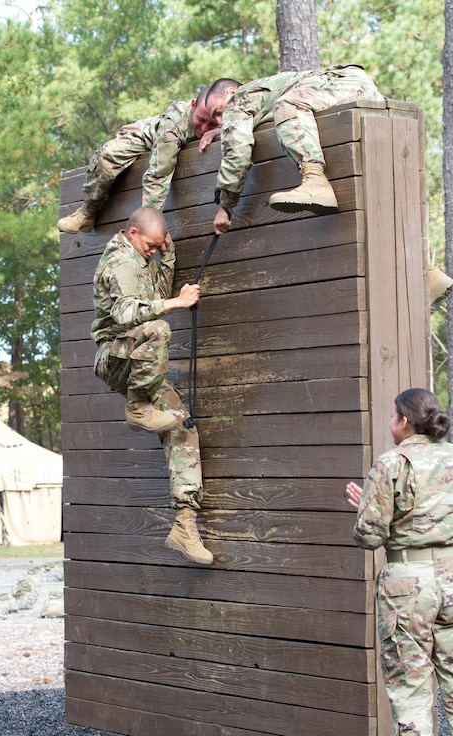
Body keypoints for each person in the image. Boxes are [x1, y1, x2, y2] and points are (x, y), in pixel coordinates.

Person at [91, 205, 213, 566]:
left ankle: (184, 524)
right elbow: (128, 313)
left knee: (181, 425)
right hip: (114, 358)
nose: (154, 252)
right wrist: (177, 302)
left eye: (158, 247)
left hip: (140, 363)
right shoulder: (120, 262)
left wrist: (168, 252)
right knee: (160, 329)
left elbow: (154, 291)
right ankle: (137, 407)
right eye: (150, 245)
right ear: (131, 234)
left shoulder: (142, 256)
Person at [346, 388, 453, 736]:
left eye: (393, 416)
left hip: (408, 588)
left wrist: (364, 508)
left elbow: (369, 535)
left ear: (404, 421)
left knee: (411, 691)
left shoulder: (391, 464)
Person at [202, 66, 385, 234]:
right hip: (358, 86)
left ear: (231, 92)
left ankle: (315, 180)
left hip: (344, 82)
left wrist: (225, 206)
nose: (220, 120)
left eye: (219, 112)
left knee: (287, 105)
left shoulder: (238, 99)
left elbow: (237, 152)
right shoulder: (266, 93)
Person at [57, 88, 221, 234]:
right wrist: (148, 228)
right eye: (201, 120)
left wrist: (219, 131)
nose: (205, 128)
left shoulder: (231, 110)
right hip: (145, 136)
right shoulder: (172, 126)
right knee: (106, 158)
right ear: (193, 106)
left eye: (212, 123)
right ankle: (87, 211)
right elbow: (158, 175)